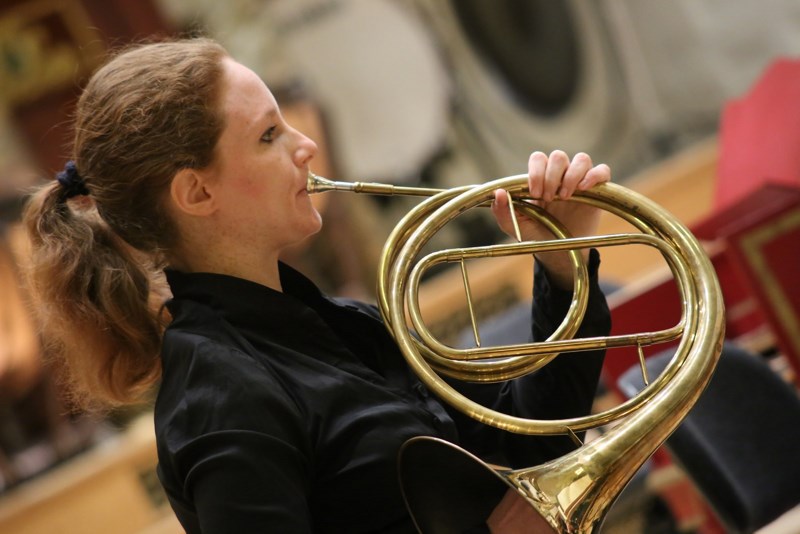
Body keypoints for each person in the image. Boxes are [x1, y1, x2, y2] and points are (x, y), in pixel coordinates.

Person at [22, 38, 611, 533]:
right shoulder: (221, 400)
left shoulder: (343, 323)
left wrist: (562, 259)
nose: (306, 146)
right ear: (197, 193)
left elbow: (532, 442)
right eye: (268, 136)